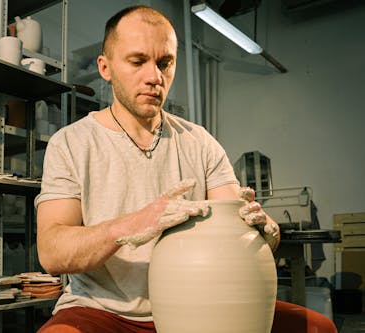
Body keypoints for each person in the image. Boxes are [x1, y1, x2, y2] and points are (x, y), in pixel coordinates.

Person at [34, 5, 336, 333]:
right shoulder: (72, 142)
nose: (155, 77)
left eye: (165, 63)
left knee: (317, 328)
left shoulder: (199, 142)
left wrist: (266, 231)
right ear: (105, 67)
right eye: (137, 62)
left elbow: (237, 225)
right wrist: (133, 224)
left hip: (200, 301)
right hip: (104, 310)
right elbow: (52, 251)